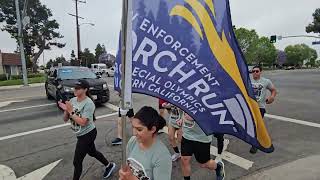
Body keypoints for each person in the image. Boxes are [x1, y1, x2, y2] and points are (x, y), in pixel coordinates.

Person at [59, 80, 116, 180]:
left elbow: (83, 122)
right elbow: (65, 119)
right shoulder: (72, 100)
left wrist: (71, 111)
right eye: (74, 87)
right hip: (80, 134)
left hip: (88, 134)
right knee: (92, 152)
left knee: (77, 162)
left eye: (78, 88)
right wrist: (66, 110)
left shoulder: (89, 103)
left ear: (85, 89)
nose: (75, 90)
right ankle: (109, 165)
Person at [119, 106, 172, 180]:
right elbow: (127, 165)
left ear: (153, 129)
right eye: (133, 127)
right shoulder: (133, 141)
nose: (134, 133)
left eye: (139, 129)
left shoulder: (162, 157)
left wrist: (132, 178)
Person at [180, 113, 225, 180]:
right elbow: (183, 107)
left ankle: (218, 167)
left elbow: (213, 117)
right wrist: (181, 118)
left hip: (202, 138)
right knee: (184, 159)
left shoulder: (209, 103)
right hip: (187, 134)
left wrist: (196, 117)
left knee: (204, 164)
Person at [250, 65, 277, 154]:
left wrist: (271, 97)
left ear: (261, 72)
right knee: (252, 125)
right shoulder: (247, 80)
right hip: (250, 106)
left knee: (257, 125)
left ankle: (255, 144)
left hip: (260, 107)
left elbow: (273, 90)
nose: (255, 73)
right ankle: (253, 140)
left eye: (257, 71)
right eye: (253, 71)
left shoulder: (266, 81)